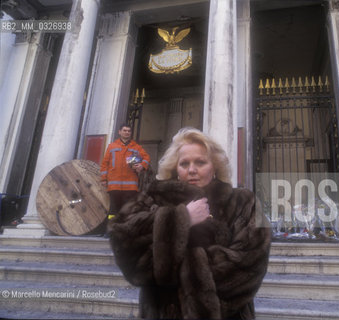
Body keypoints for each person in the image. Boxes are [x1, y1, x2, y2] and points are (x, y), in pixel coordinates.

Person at [108, 127, 271, 319]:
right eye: (184, 163)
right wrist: (181, 219)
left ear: (215, 167)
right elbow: (126, 249)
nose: (191, 170)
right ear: (175, 168)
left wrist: (175, 267)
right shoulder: (154, 198)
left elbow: (249, 264)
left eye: (200, 162)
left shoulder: (244, 202)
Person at [100, 124, 150, 228]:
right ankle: (111, 229)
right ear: (119, 132)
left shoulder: (136, 147)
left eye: (129, 131)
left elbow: (146, 158)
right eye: (124, 130)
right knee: (113, 210)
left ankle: (126, 229)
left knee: (128, 209)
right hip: (114, 185)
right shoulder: (112, 146)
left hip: (130, 186)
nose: (127, 132)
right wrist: (104, 179)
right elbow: (105, 164)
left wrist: (142, 165)